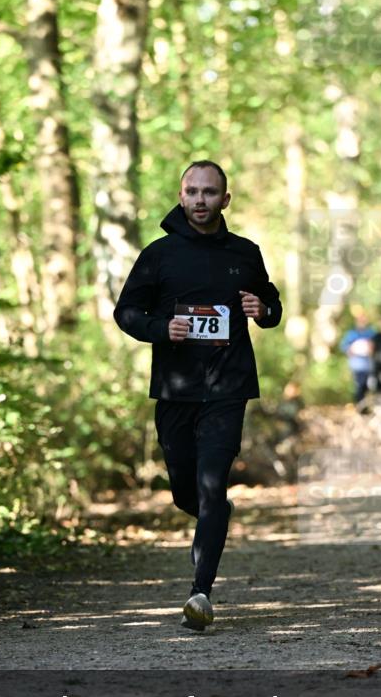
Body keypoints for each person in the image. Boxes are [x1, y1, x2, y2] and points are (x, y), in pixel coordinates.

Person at [114, 160, 282, 631]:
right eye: (193, 191)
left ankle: (200, 594)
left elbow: (271, 304)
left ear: (225, 200)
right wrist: (162, 328)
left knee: (212, 485)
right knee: (188, 492)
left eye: (211, 192)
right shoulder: (159, 255)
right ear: (182, 196)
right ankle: (215, 517)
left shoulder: (245, 253)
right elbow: (125, 311)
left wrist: (263, 309)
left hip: (229, 388)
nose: (201, 199)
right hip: (176, 390)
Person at [339, 311, 375, 405]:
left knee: (369, 385)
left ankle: (367, 405)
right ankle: (360, 406)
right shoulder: (351, 334)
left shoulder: (371, 333)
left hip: (369, 364)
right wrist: (351, 349)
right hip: (357, 365)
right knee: (359, 386)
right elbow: (344, 347)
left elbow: (376, 346)